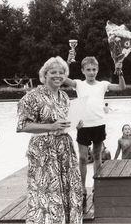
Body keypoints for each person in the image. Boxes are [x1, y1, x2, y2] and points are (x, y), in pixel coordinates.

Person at [17, 56, 82, 223]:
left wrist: (75, 123)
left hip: (64, 149)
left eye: (61, 73)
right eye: (53, 72)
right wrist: (50, 127)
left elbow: (62, 123)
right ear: (44, 75)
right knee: (46, 194)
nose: (57, 76)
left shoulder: (65, 96)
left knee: (68, 191)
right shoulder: (32, 97)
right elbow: (23, 126)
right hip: (43, 151)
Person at [64, 56, 125, 205]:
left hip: (99, 124)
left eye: (94, 69)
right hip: (83, 126)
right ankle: (83, 188)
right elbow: (63, 78)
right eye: (88, 70)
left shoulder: (103, 84)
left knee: (98, 156)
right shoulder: (78, 84)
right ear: (83, 70)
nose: (91, 72)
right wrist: (67, 62)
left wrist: (120, 72)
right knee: (83, 158)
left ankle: (96, 186)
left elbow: (121, 87)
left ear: (97, 70)